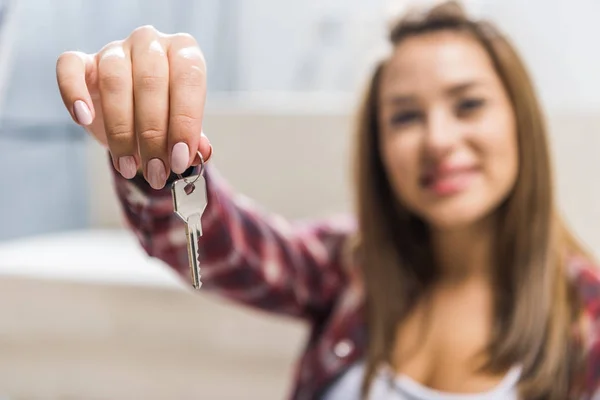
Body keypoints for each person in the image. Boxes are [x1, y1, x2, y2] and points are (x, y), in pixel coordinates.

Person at [56, 1, 600, 399]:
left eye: (469, 104)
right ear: (380, 146)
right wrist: (158, 153)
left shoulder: (588, 317)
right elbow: (222, 244)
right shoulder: (348, 266)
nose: (438, 139)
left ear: (520, 122)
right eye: (406, 116)